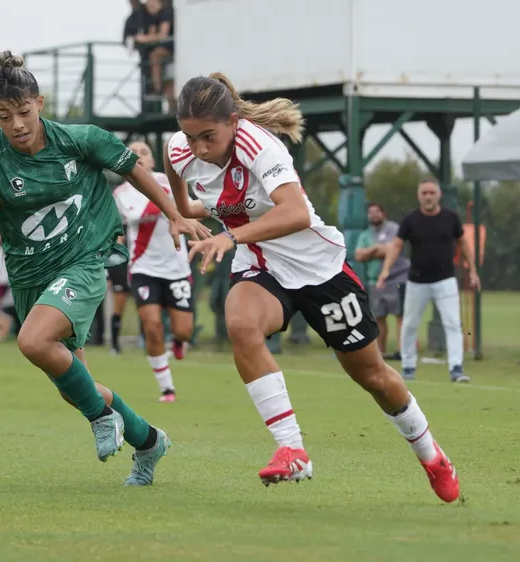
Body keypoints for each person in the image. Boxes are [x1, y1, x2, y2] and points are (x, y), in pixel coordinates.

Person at [166, 72, 460, 502]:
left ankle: (432, 455)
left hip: (319, 269)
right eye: (191, 138)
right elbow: (179, 184)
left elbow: (297, 214)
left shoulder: (260, 146)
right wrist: (179, 213)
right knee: (241, 324)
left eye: (209, 136)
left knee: (374, 377)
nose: (200, 149)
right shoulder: (179, 150)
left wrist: (229, 236)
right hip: (261, 265)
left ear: (233, 122)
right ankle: (292, 449)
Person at [0, 51, 209, 486]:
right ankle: (150, 441)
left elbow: (134, 170)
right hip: (29, 275)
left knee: (32, 341)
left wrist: (174, 213)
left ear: (39, 103)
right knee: (76, 386)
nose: (17, 124)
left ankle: (101, 419)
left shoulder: (80, 140)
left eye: (24, 112)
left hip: (86, 257)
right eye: (4, 116)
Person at [113, 140, 194, 402]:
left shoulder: (169, 181)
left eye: (144, 152)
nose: (138, 156)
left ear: (152, 161)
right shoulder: (122, 192)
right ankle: (167, 388)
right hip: (144, 267)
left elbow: (189, 207)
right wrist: (166, 198)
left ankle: (179, 342)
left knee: (183, 330)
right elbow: (136, 216)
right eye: (132, 153)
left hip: (177, 267)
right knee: (152, 326)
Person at [377, 179, 480, 383]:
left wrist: (473, 270)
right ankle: (408, 367)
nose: (428, 197)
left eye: (432, 192)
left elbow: (464, 244)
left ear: (439, 195)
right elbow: (396, 246)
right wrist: (385, 270)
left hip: (445, 280)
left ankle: (456, 368)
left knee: (453, 323)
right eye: (424, 193)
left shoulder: (450, 217)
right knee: (409, 325)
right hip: (417, 281)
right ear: (419, 196)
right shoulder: (411, 219)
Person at [354, 202, 409, 360]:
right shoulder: (365, 234)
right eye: (370, 212)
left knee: (400, 315)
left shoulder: (394, 228)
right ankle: (381, 353)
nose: (374, 215)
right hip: (374, 282)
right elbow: (358, 255)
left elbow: (392, 249)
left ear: (383, 213)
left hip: (396, 278)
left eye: (377, 212)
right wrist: (376, 248)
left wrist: (371, 251)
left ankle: (403, 352)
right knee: (378, 317)